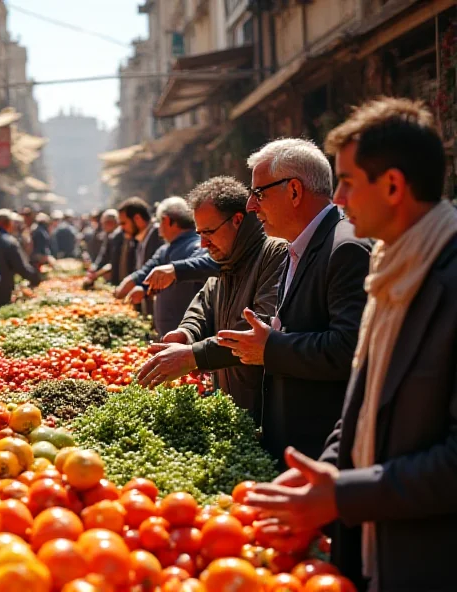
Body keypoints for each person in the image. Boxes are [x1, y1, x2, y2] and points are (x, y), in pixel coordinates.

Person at [244, 98, 457, 592]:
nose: (337, 199)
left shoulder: (441, 278)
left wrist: (345, 494)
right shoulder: (392, 268)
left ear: (393, 186)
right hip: (377, 546)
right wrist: (327, 470)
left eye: (346, 183)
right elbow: (363, 404)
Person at [216, 139, 372, 462]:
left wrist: (270, 348)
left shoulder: (344, 249)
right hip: (291, 447)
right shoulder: (295, 246)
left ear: (295, 192)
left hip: (322, 453)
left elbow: (349, 349)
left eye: (258, 193)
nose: (250, 206)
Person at [136, 177, 286, 416]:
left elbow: (256, 331)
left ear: (237, 220)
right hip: (232, 398)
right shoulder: (226, 256)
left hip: (264, 405)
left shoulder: (275, 253)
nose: (203, 244)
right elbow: (204, 305)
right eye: (199, 234)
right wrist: (186, 333)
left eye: (208, 232)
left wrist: (193, 356)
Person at [117, 197, 216, 338]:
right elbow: (147, 270)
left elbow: (208, 264)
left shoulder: (198, 245)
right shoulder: (165, 249)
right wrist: (143, 287)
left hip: (190, 336)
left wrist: (175, 270)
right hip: (168, 333)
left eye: (159, 222)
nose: (158, 228)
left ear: (166, 220)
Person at [0, 208, 41, 308]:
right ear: (8, 223)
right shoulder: (9, 241)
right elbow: (21, 267)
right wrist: (35, 279)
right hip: (1, 288)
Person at [85, 209, 127, 285]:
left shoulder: (119, 236)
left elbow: (114, 262)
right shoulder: (108, 235)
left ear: (110, 223)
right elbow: (103, 255)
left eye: (103, 224)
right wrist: (94, 268)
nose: (103, 226)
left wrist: (97, 273)